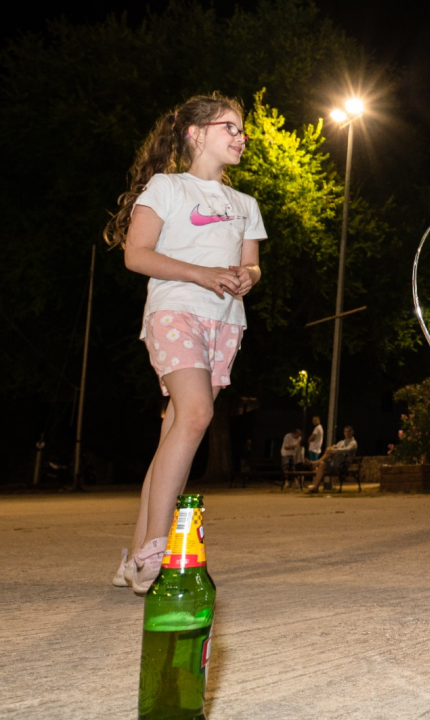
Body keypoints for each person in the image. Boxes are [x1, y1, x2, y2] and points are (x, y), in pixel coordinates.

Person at [105, 93, 265, 594]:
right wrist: (202, 274)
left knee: (175, 428)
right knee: (195, 415)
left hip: (225, 322)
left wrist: (245, 276)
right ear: (195, 133)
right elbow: (136, 254)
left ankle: (133, 557)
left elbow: (253, 264)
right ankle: (158, 544)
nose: (241, 137)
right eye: (230, 127)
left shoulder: (245, 204)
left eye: (242, 130)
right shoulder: (167, 186)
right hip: (175, 312)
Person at [307, 425, 357, 493]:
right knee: (322, 464)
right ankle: (315, 487)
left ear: (352, 432)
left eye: (349, 432)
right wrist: (331, 448)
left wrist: (333, 450)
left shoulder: (353, 443)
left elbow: (346, 450)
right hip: (334, 464)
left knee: (331, 451)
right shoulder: (341, 442)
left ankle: (315, 463)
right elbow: (336, 449)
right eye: (345, 431)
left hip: (342, 466)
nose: (347, 433)